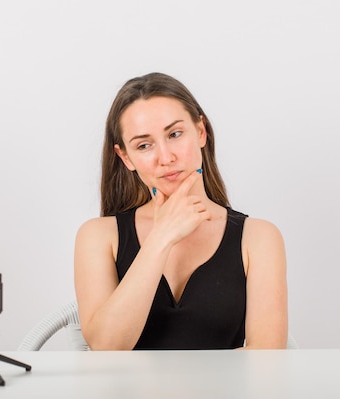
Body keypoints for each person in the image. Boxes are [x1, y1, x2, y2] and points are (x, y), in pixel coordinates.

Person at [74, 72, 287, 350]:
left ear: (201, 131)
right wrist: (162, 237)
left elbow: (267, 360)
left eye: (175, 134)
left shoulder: (259, 238)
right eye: (144, 145)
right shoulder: (98, 236)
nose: (166, 158)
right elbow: (106, 346)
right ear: (126, 157)